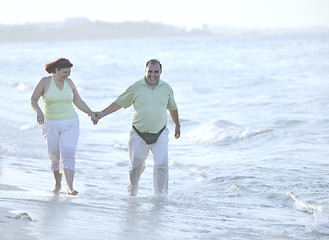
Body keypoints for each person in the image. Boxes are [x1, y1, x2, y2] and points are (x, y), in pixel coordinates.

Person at [94, 59, 180, 196]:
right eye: (150, 71)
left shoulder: (166, 88)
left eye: (156, 72)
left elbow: (173, 108)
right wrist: (102, 114)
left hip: (161, 133)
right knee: (135, 167)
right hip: (138, 133)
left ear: (161, 72)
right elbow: (119, 103)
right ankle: (132, 193)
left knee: (161, 165)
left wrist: (177, 125)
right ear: (145, 71)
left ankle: (161, 197)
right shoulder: (136, 87)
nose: (152, 75)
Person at [31, 58, 98, 195]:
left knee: (68, 153)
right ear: (56, 70)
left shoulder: (70, 83)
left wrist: (91, 113)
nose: (68, 75)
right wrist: (38, 111)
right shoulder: (45, 82)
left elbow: (78, 101)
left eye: (69, 72)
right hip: (50, 123)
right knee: (54, 155)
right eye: (65, 72)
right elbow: (33, 99)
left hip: (70, 122)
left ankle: (70, 187)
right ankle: (58, 184)